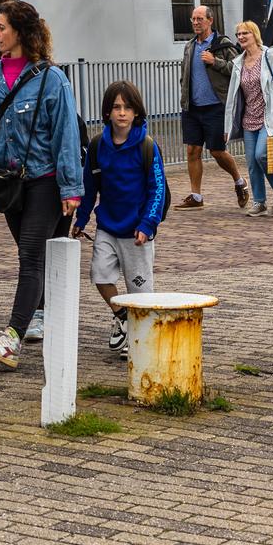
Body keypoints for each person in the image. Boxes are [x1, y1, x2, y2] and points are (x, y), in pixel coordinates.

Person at [0, 0, 83, 369]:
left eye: (1, 27)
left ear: (20, 31)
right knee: (36, 259)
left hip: (44, 182)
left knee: (30, 258)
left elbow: (66, 135)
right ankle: (44, 314)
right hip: (8, 183)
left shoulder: (52, 79)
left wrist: (70, 188)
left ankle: (12, 338)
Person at [72, 80, 169, 355]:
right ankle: (124, 318)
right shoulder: (97, 146)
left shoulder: (147, 146)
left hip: (137, 232)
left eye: (127, 107)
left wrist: (148, 223)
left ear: (137, 112)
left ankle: (141, 342)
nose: (122, 113)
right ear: (107, 113)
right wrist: (81, 219)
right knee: (99, 275)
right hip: (107, 227)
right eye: (116, 107)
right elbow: (90, 188)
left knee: (140, 293)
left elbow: (157, 189)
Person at [178, 5, 248, 209]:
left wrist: (214, 61)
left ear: (210, 20)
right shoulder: (190, 46)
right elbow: (185, 74)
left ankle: (239, 181)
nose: (195, 23)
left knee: (217, 151)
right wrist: (184, 95)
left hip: (216, 106)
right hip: (192, 107)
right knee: (192, 150)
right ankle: (196, 196)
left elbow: (237, 69)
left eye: (199, 19)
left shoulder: (223, 44)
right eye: (193, 19)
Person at [223, 20, 273, 216]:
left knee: (261, 156)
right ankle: (259, 202)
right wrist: (227, 127)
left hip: (268, 116)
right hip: (248, 119)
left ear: (254, 35)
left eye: (245, 33)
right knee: (251, 162)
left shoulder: (270, 56)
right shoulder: (238, 63)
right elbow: (232, 98)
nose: (241, 37)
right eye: (238, 34)